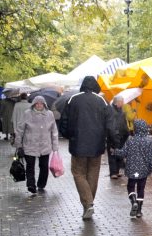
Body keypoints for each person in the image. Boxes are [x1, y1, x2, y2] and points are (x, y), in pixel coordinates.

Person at [59, 76, 117, 220]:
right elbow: (111, 125)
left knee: (78, 173)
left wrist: (69, 135)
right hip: (97, 145)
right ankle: (89, 203)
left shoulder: (73, 99)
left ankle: (88, 203)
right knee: (93, 173)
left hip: (78, 144)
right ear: (95, 86)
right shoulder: (102, 101)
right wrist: (114, 143)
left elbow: (64, 121)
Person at [14, 95, 59, 194]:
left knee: (44, 167)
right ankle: (31, 185)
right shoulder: (27, 114)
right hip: (30, 144)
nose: (39, 105)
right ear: (34, 104)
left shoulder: (50, 114)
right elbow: (20, 130)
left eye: (41, 103)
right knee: (30, 166)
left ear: (44, 104)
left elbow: (54, 131)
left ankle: (41, 184)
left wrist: (55, 146)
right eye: (37, 103)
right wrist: (19, 145)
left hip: (45, 145)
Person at [115, 119, 152, 218]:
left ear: (136, 128)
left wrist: (115, 151)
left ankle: (133, 201)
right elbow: (151, 157)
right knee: (141, 189)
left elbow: (123, 153)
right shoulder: (148, 141)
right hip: (143, 170)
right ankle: (139, 211)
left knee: (131, 186)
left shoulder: (130, 140)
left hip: (132, 169)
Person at [108, 96, 130, 179]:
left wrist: (127, 132)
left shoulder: (121, 110)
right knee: (112, 154)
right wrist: (114, 135)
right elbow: (111, 125)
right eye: (122, 101)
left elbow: (124, 123)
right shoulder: (111, 110)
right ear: (117, 102)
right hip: (113, 136)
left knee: (119, 153)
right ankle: (113, 173)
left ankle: (117, 171)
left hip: (121, 135)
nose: (123, 103)